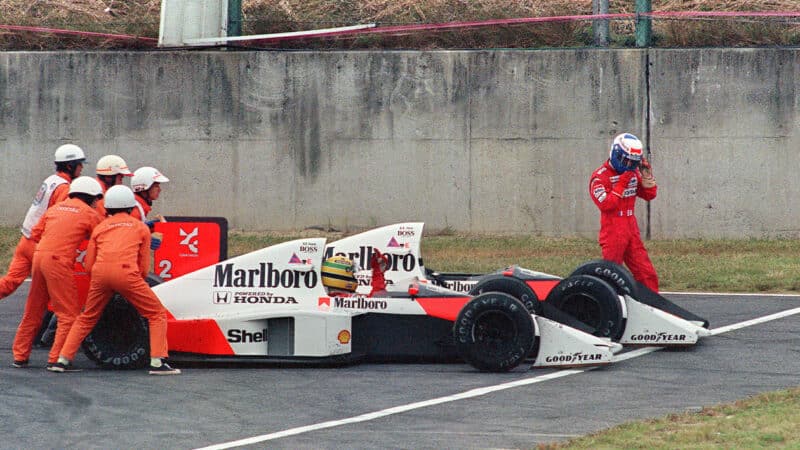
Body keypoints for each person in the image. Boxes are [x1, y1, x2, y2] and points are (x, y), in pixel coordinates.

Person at [53, 185, 180, 375]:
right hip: (127, 273)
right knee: (156, 314)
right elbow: (143, 266)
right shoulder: (140, 227)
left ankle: (62, 360)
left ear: (108, 207)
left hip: (100, 274)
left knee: (87, 318)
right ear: (130, 206)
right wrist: (132, 286)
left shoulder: (100, 228)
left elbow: (88, 265)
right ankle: (157, 362)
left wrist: (101, 281)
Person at [11, 176, 103, 369]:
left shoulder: (54, 209)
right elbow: (102, 234)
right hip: (59, 262)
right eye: (96, 199)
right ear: (89, 197)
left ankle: (20, 356)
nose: (97, 203)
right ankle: (57, 359)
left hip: (38, 256)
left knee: (33, 310)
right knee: (68, 314)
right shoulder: (88, 213)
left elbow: (35, 233)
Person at [0, 144, 87, 302]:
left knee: (9, 283)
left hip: (25, 241)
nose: (81, 168)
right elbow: (62, 218)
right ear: (70, 165)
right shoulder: (65, 189)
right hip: (40, 245)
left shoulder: (51, 180)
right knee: (57, 293)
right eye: (80, 164)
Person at [589, 132, 659, 292]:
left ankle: (654, 306)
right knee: (611, 274)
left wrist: (647, 177)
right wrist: (622, 183)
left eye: (632, 162)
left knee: (646, 272)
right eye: (624, 160)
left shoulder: (633, 172)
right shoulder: (600, 177)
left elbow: (649, 195)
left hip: (631, 228)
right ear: (615, 153)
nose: (628, 165)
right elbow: (607, 205)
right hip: (613, 230)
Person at [131, 166, 170, 250]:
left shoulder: (138, 206)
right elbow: (124, 237)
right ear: (145, 188)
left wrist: (149, 229)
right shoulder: (134, 210)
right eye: (156, 186)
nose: (160, 190)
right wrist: (145, 239)